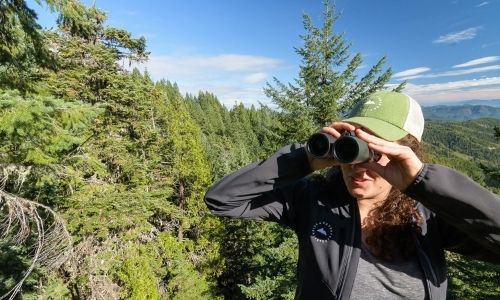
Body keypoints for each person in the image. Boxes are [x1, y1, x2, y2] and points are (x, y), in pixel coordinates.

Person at [204, 91, 500, 299]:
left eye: (377, 150)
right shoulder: (313, 199)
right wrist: (304, 159)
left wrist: (424, 182)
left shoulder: (428, 214)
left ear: (405, 153)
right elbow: (222, 199)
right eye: (352, 147)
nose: (359, 165)